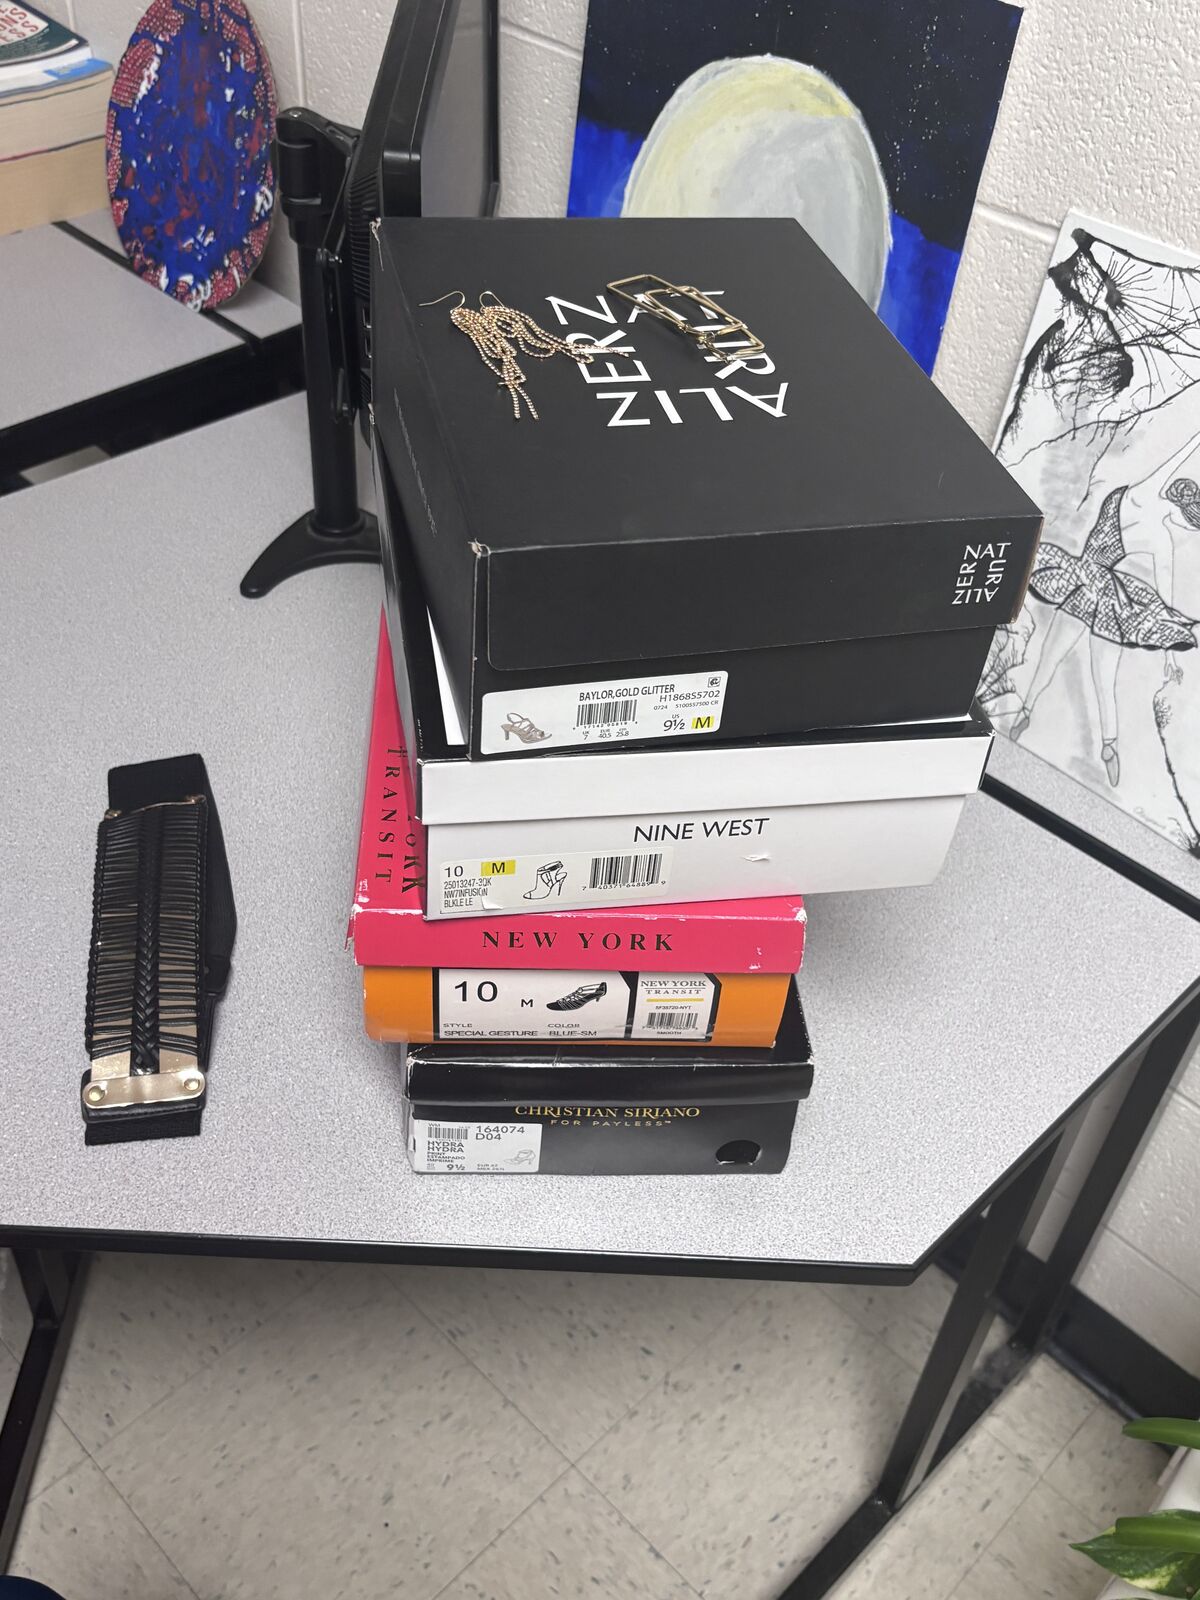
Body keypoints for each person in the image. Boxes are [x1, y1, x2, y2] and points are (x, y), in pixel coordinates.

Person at [1010, 412, 1200, 785]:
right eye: (1192, 525)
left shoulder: (1148, 507)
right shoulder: (1157, 524)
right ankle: (1108, 745)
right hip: (1110, 597)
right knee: (1102, 677)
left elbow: (1165, 597)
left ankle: (1025, 712)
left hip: (1085, 581)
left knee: (1053, 655)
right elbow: (1163, 600)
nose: (1187, 530)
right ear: (1184, 513)